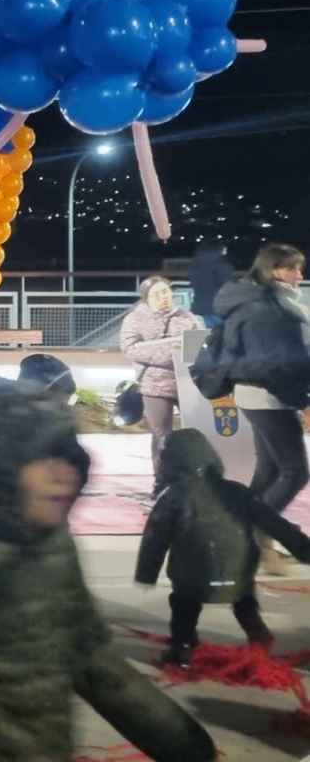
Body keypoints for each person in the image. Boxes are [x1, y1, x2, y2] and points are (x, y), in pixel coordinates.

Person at [0, 377, 216, 762]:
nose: (61, 474)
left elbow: (95, 664)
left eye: (67, 457)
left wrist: (187, 745)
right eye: (37, 459)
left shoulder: (53, 548)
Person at [137, 428, 310, 668]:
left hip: (192, 574)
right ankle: (258, 635)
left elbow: (154, 539)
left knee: (184, 605)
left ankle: (182, 648)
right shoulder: (237, 491)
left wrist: (146, 574)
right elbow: (274, 523)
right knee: (244, 601)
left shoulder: (172, 498)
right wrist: (303, 549)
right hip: (239, 570)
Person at [211, 243, 310, 572]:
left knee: (269, 470)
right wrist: (305, 402)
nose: (299, 275)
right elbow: (275, 364)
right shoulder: (268, 309)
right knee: (295, 471)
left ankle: (247, 533)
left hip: (257, 394)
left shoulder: (255, 300)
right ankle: (252, 530)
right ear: (273, 270)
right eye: (293, 268)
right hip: (270, 396)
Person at [121, 276, 201, 495]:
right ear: (146, 298)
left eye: (166, 292)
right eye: (157, 294)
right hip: (154, 385)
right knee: (162, 436)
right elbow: (131, 349)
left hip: (187, 383)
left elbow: (198, 345)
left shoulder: (187, 317)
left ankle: (196, 480)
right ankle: (162, 482)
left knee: (196, 434)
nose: (164, 297)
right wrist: (172, 353)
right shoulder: (134, 319)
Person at [190, 242, 234, 329]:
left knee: (199, 340)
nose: (225, 251)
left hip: (199, 309)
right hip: (218, 310)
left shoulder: (195, 265)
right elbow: (226, 286)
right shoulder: (223, 265)